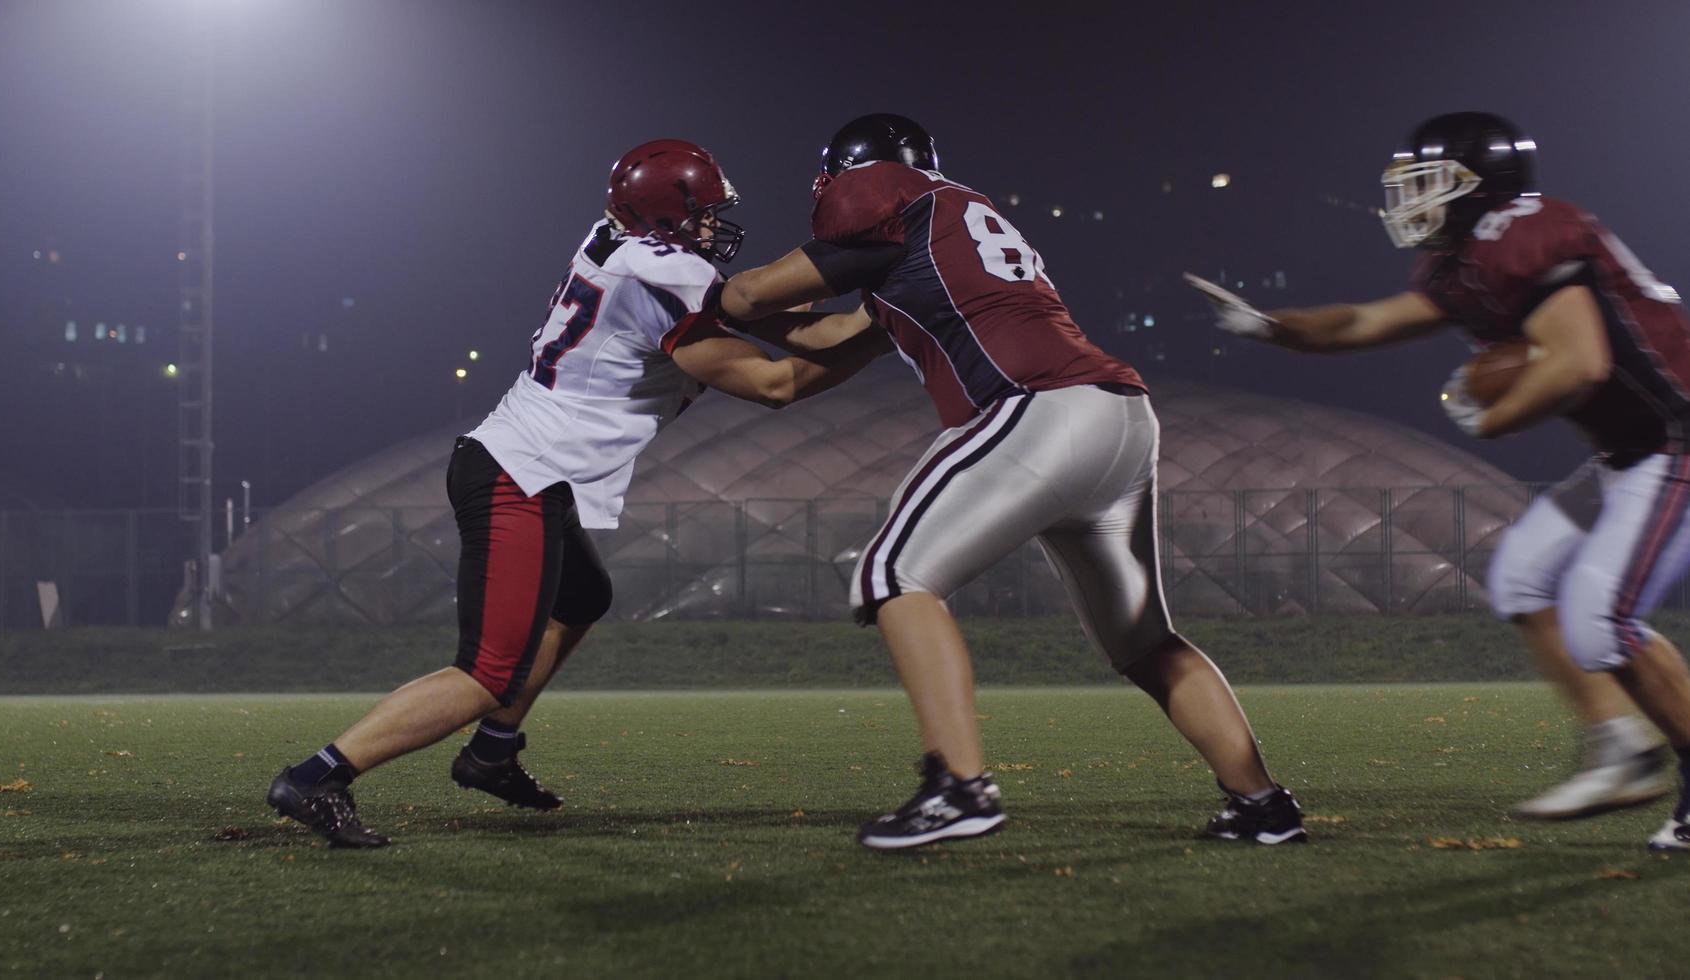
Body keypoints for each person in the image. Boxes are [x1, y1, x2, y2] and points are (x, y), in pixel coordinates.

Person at [265, 138, 890, 847]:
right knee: (486, 673)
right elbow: (777, 382)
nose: (715, 226)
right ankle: (318, 776)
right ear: (663, 221)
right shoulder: (662, 276)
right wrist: (884, 325)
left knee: (583, 596)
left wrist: (857, 304)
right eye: (703, 213)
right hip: (518, 473)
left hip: (529, 465)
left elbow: (760, 315)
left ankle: (492, 752)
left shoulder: (625, 250)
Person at [711, 113, 1305, 849]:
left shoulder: (886, 194)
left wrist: (702, 293)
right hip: (1117, 418)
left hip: (1037, 410)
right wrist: (736, 308)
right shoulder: (946, 228)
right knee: (1145, 641)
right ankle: (1262, 805)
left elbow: (749, 299)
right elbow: (826, 338)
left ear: (854, 173)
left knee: (893, 573)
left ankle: (961, 787)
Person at [1189, 111, 1690, 849]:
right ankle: (1621, 744)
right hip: (1628, 451)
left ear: (1480, 186)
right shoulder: (1462, 264)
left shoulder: (1522, 236)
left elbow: (1580, 361)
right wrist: (1274, 327)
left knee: (1598, 617)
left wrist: (1494, 417)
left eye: (1426, 183)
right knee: (1523, 576)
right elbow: (1363, 322)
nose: (1410, 200)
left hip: (1674, 439)